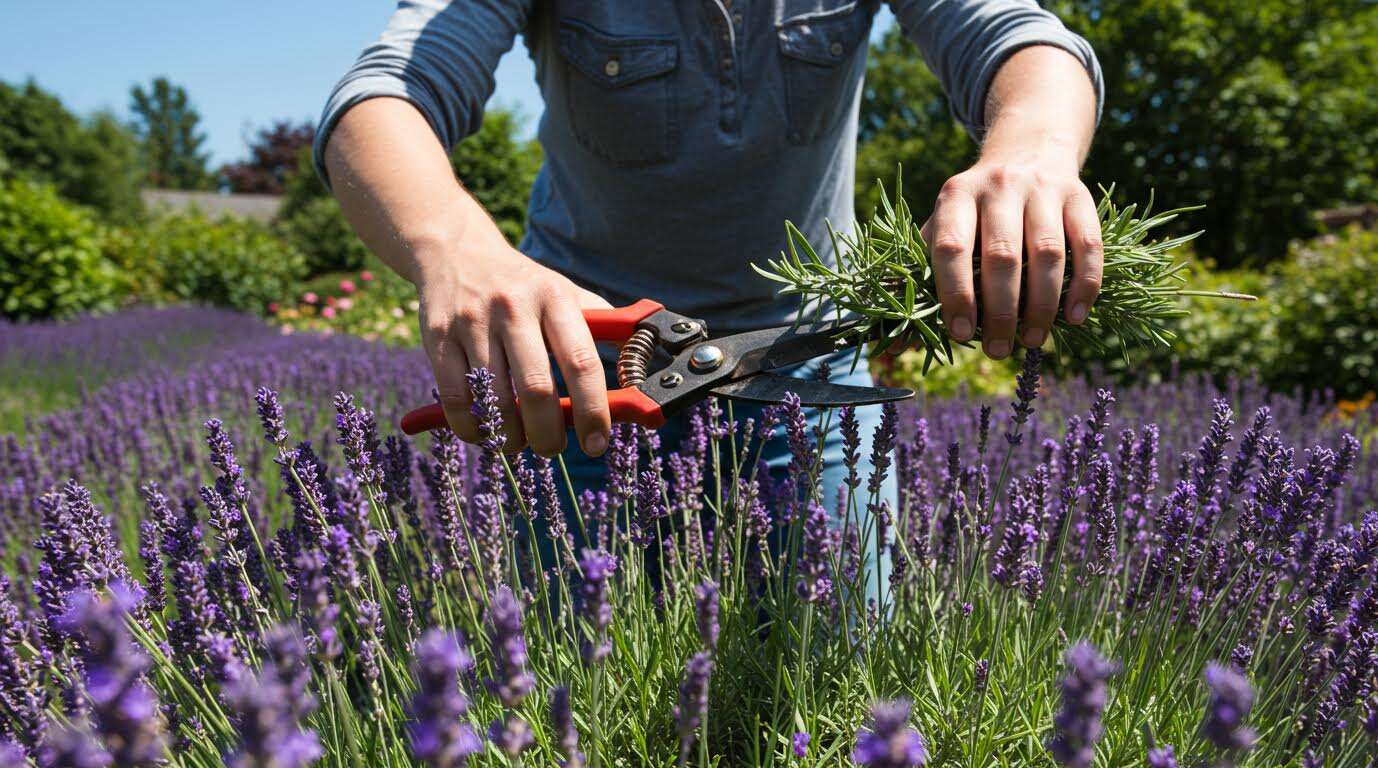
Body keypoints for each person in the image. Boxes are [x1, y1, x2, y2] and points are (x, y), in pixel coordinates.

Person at [315, 0, 1104, 590]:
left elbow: (1019, 38)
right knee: (574, 688)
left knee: (844, 678)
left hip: (807, 372)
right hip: (584, 368)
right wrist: (453, 246)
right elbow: (385, 95)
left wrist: (1032, 150)